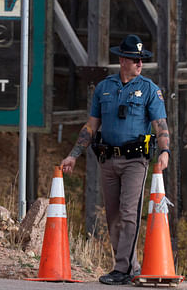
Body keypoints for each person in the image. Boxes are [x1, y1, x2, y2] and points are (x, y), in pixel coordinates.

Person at [60, 34, 171, 286]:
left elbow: (160, 126)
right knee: (113, 215)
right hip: (108, 159)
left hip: (135, 161)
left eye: (141, 59)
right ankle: (129, 266)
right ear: (122, 60)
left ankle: (122, 268)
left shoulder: (150, 90)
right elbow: (91, 126)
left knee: (130, 212)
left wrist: (164, 151)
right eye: (135, 59)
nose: (139, 64)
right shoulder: (104, 88)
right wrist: (74, 154)